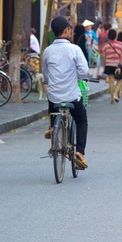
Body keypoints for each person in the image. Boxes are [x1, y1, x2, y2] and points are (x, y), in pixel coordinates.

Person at [42, 16, 90, 170]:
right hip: (72, 97)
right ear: (66, 30)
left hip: (54, 98)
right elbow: (84, 71)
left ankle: (52, 127)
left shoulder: (47, 51)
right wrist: (79, 77)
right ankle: (80, 152)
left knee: (52, 98)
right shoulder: (74, 49)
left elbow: (46, 76)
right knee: (81, 120)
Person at [101, 28, 122, 103]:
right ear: (115, 36)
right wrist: (121, 64)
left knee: (111, 81)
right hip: (117, 65)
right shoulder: (120, 44)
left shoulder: (106, 46)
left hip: (108, 65)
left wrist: (105, 65)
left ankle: (112, 98)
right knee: (120, 80)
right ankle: (115, 94)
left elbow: (103, 57)